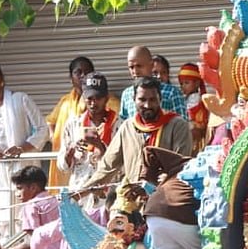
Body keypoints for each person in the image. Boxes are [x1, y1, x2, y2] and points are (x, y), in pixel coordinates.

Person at [0, 60, 49, 223]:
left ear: (1, 79)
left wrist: (21, 148)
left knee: (29, 218)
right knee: (3, 220)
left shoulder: (20, 100)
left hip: (24, 169)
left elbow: (43, 129)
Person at [87, 77, 194, 189]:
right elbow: (107, 167)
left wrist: (167, 178)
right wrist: (83, 190)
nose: (147, 105)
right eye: (142, 100)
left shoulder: (177, 125)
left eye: (152, 100)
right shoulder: (128, 127)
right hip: (132, 195)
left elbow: (181, 167)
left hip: (164, 194)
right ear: (134, 99)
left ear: (160, 99)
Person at [56, 72, 118, 214]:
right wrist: (70, 152)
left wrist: (100, 146)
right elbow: (62, 166)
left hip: (108, 197)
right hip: (79, 194)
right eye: (89, 98)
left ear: (107, 98)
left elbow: (121, 165)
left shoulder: (119, 124)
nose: (93, 103)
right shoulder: (73, 124)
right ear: (83, 98)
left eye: (98, 98)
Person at [46, 56, 95, 187]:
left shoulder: (106, 101)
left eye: (87, 72)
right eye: (78, 72)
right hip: (66, 160)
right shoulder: (65, 101)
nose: (83, 76)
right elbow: (50, 121)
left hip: (91, 164)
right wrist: (55, 138)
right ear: (71, 77)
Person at [117, 46, 188, 121]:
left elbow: (182, 123)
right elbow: (123, 124)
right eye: (131, 67)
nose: (135, 71)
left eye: (139, 66)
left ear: (151, 65)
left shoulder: (171, 92)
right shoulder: (127, 94)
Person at [178, 63, 210, 154]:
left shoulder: (195, 99)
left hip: (194, 134)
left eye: (186, 83)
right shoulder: (188, 98)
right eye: (181, 83)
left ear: (197, 83)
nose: (183, 86)